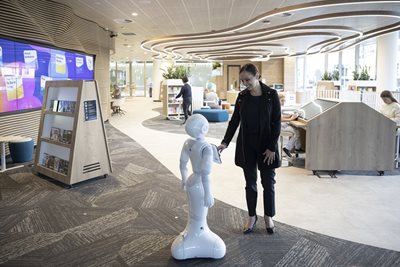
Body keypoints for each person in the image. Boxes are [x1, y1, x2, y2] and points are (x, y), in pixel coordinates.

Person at [217, 63, 281, 234]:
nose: (245, 83)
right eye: (243, 80)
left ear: (257, 75)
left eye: (248, 79)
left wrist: (271, 147)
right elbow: (234, 121)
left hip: (267, 148)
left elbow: (276, 123)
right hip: (248, 146)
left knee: (268, 183)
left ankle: (269, 216)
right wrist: (225, 142)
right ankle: (252, 217)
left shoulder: (271, 95)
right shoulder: (242, 97)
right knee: (250, 184)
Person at [171, 114, 226, 260]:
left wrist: (183, 180)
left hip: (190, 180)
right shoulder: (206, 148)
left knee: (193, 210)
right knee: (199, 212)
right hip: (201, 184)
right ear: (205, 128)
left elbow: (182, 163)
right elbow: (205, 172)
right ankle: (198, 234)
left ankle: (195, 232)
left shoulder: (188, 143)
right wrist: (208, 193)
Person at [279, 93, 302, 158]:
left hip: (282, 125)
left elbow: (281, 116)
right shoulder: (276, 107)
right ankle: (287, 148)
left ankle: (297, 148)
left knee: (297, 130)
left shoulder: (278, 106)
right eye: (282, 100)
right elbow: (280, 119)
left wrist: (289, 116)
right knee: (296, 132)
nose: (284, 102)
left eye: (284, 100)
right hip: (280, 127)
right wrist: (291, 118)